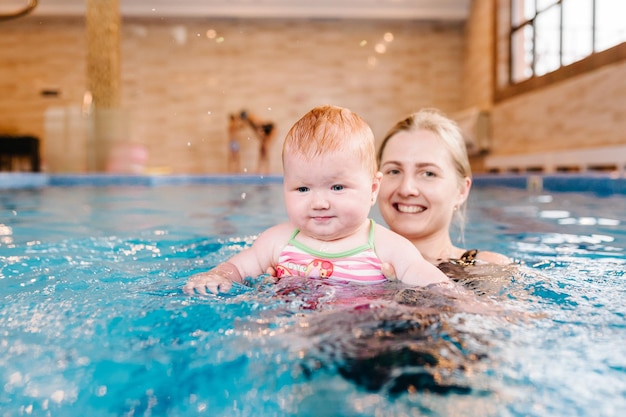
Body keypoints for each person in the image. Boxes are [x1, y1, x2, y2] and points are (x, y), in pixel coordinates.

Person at [183, 105, 450, 296]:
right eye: (302, 189)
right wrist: (216, 275)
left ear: (372, 188)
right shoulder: (276, 241)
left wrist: (460, 300)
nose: (319, 202)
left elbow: (430, 281)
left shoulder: (386, 246)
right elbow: (237, 267)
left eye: (336, 187)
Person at [376, 108, 511, 279]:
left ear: (461, 191)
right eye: (394, 171)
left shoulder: (488, 270)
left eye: (428, 173)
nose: (406, 189)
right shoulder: (347, 265)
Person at [240, 110, 277, 174]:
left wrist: (263, 137)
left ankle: (267, 169)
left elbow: (260, 128)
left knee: (265, 149)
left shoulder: (253, 119)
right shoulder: (250, 120)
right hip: (265, 131)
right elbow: (258, 131)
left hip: (270, 130)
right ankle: (259, 169)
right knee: (261, 150)